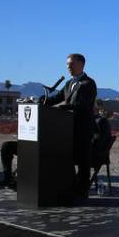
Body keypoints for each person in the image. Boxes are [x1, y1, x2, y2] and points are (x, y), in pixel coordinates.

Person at [43, 53, 97, 197]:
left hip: (83, 129)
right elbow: (57, 98)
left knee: (83, 161)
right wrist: (41, 101)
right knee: (67, 159)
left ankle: (82, 191)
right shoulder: (68, 83)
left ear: (81, 65)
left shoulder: (88, 83)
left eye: (71, 64)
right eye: (67, 64)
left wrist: (63, 108)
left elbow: (81, 104)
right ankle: (71, 186)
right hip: (67, 129)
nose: (68, 67)